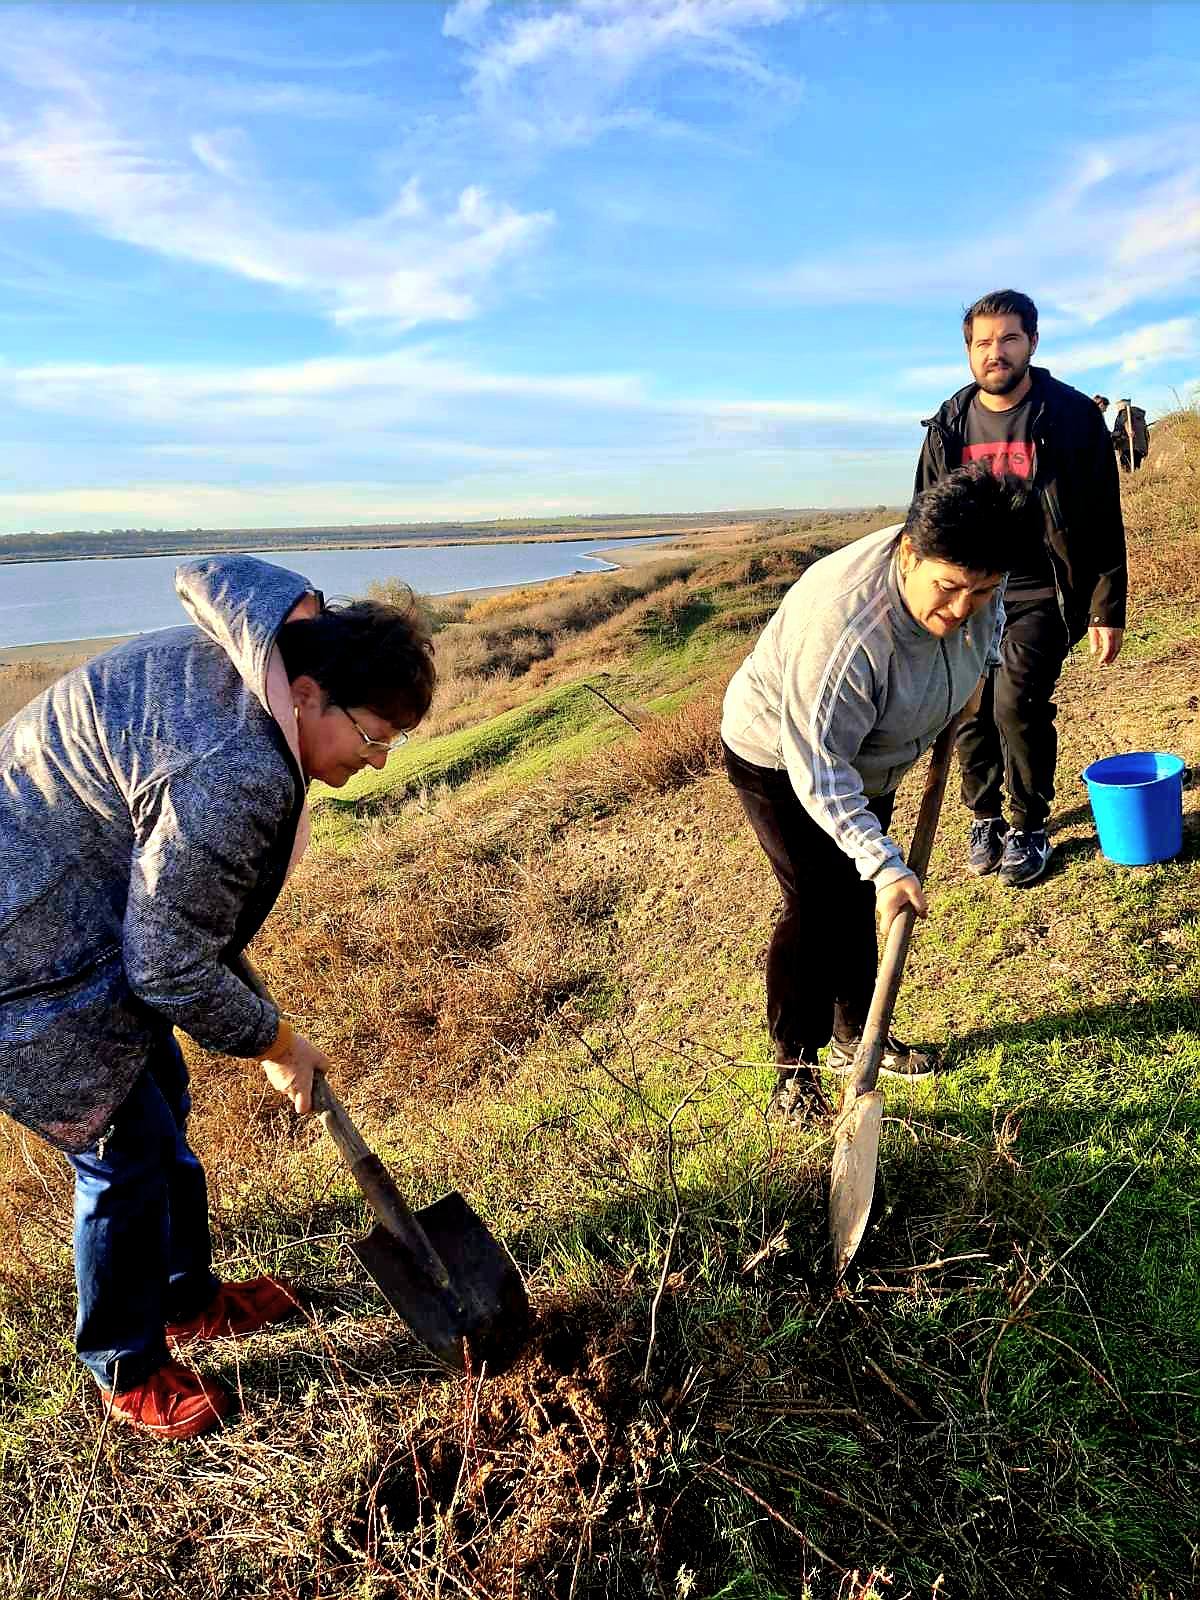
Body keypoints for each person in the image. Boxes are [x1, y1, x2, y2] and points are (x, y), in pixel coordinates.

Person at [0, 556, 435, 1439]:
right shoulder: (234, 767)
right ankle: (125, 1362)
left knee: (164, 1105)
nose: (377, 761)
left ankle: (185, 1296)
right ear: (307, 693)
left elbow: (182, 922)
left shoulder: (249, 678)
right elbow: (165, 965)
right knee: (122, 1155)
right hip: (29, 958)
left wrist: (267, 1024)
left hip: (85, 914)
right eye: (372, 734)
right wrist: (278, 1042)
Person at [721, 467, 1035, 1121]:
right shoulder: (847, 628)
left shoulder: (978, 581)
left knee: (864, 891)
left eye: (976, 592)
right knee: (816, 904)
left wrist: (986, 666)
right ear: (909, 553)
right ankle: (795, 1067)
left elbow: (993, 606)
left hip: (874, 758)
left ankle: (859, 1037)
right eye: (947, 589)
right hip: (783, 759)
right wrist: (888, 862)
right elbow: (819, 769)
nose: (959, 609)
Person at [915, 289, 1127, 888]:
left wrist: (1107, 606)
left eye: (1009, 338)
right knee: (969, 705)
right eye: (983, 342)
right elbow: (924, 515)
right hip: (972, 592)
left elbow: (1102, 516)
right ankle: (984, 815)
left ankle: (1030, 821)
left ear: (1032, 342)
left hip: (1044, 589)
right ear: (969, 353)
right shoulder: (949, 423)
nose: (996, 352)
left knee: (1017, 703)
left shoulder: (1071, 416)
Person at [1111, 398, 1150, 472]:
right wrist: (1146, 450)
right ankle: (1137, 482)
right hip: (1140, 448)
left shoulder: (1124, 412)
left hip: (1127, 447)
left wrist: (1129, 430)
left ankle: (1132, 482)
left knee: (1127, 470)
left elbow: (1126, 420)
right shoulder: (1140, 417)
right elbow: (1146, 434)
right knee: (1136, 469)